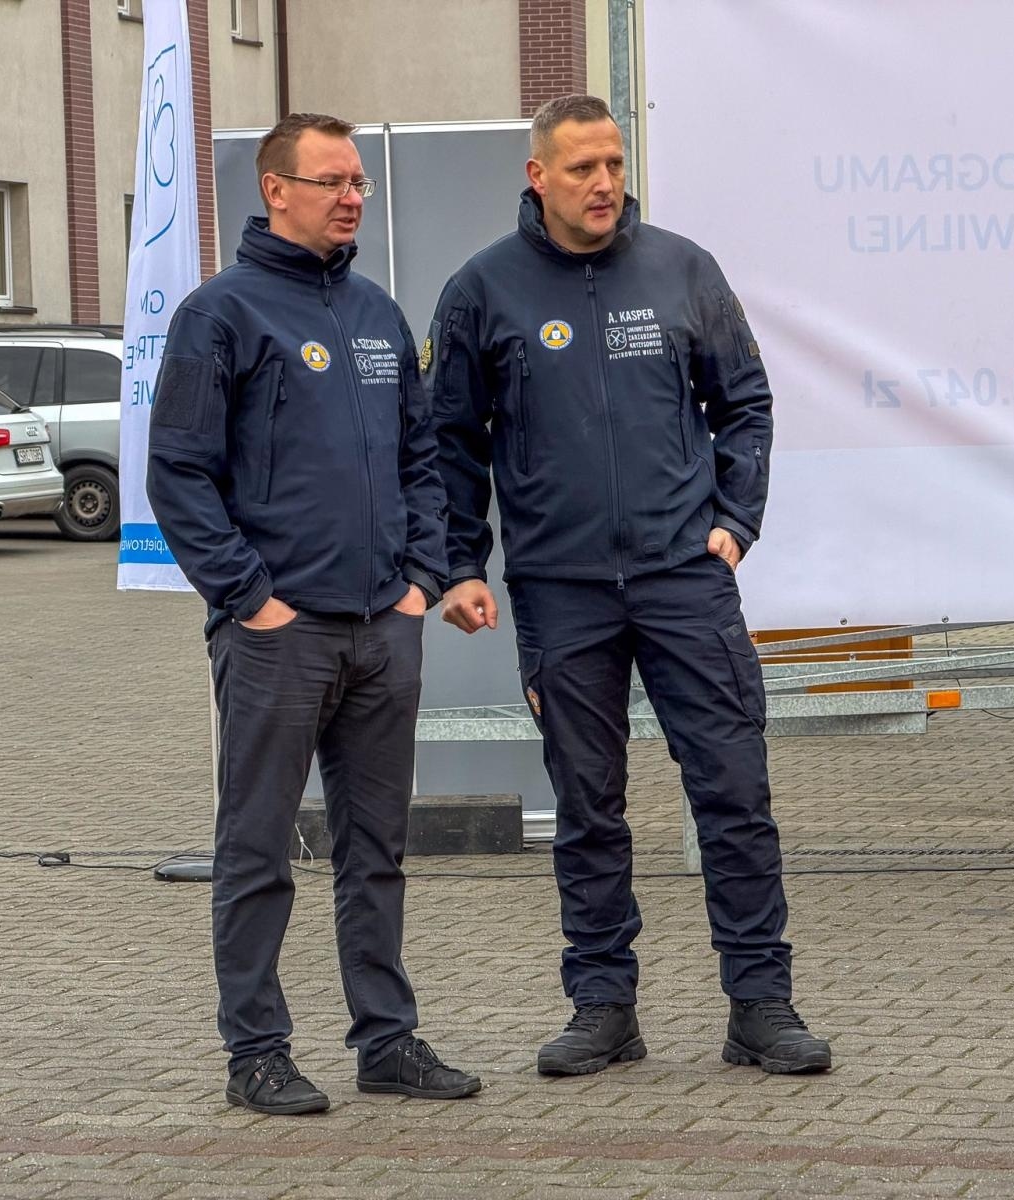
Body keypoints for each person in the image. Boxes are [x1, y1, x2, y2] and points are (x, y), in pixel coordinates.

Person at [425, 94, 830, 1076]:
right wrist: (454, 564)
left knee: (732, 794)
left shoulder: (683, 271)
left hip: (683, 584)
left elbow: (746, 403)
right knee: (588, 808)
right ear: (538, 177)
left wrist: (734, 524)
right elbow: (447, 443)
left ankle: (759, 1006)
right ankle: (603, 1006)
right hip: (562, 594)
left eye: (613, 162)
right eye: (581, 168)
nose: (604, 183)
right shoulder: (482, 292)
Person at [147, 112, 480, 1114]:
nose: (353, 197)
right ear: (275, 191)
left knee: (375, 850)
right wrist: (252, 602)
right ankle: (256, 1051)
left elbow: (421, 459)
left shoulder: (378, 315)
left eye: (359, 183)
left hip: (385, 628)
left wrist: (419, 581)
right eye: (332, 181)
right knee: (257, 848)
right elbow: (178, 477)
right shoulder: (221, 316)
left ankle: (387, 1041)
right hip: (279, 639)